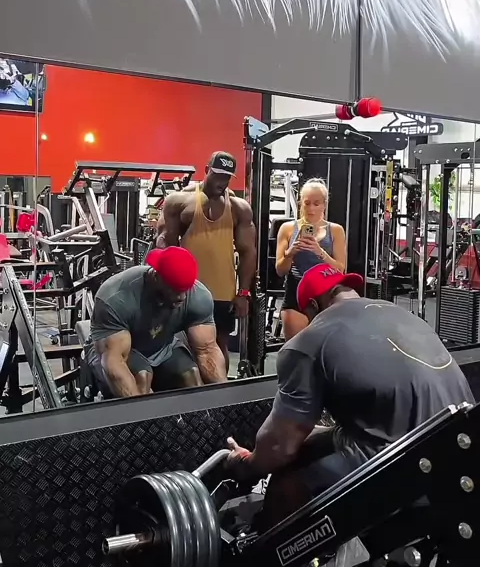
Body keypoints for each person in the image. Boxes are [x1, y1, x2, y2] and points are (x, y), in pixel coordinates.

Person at [225, 263, 474, 530]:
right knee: (314, 440)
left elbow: (279, 447)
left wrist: (247, 465)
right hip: (466, 453)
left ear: (312, 306)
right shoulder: (406, 316)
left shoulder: (308, 341)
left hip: (414, 468)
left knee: (287, 480)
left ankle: (265, 547)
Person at [157, 151, 257, 372]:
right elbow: (165, 244)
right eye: (217, 174)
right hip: (187, 290)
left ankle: (220, 391)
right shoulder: (179, 201)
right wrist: (168, 287)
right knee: (183, 346)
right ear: (206, 170)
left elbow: (249, 252)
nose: (221, 181)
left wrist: (243, 293)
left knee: (218, 346)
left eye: (226, 177)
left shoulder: (239, 208)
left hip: (222, 292)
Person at [84, 246, 228, 398]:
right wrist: (141, 409)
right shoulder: (117, 298)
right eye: (174, 289)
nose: (182, 297)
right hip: (111, 350)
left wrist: (226, 398)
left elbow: (207, 350)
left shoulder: (198, 296)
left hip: (161, 346)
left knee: (191, 376)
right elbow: (114, 363)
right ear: (156, 276)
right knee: (142, 376)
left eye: (185, 290)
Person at [276, 178, 346, 341]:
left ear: (324, 205)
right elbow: (280, 270)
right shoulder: (287, 229)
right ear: (301, 203)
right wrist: (290, 253)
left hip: (326, 295)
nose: (311, 209)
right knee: (297, 349)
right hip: (296, 293)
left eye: (316, 203)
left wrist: (320, 252)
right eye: (307, 203)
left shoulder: (335, 230)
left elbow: (341, 270)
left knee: (325, 350)